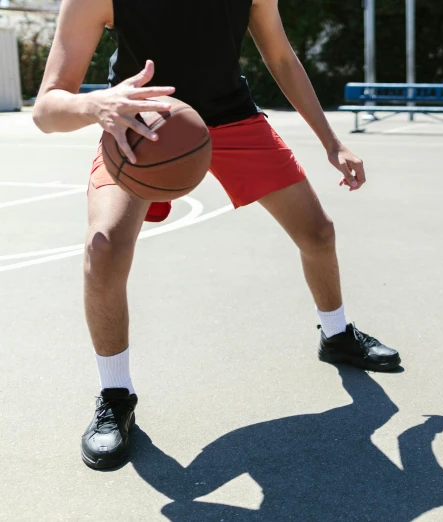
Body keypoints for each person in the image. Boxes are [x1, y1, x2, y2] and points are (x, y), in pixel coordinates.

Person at [33, 0, 401, 470]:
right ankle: (115, 394)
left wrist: (333, 141)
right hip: (143, 125)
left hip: (232, 119)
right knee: (102, 248)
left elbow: (281, 56)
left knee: (318, 232)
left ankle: (337, 337)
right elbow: (47, 107)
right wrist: (94, 104)